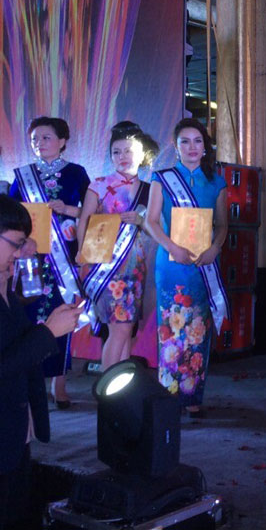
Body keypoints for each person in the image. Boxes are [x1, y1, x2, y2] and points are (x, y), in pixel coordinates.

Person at [0, 195, 82, 529]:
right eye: (16, 243)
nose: (20, 251)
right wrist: (49, 333)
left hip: (15, 430)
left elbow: (16, 337)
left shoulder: (6, 281)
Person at [146, 118, 227, 417]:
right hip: (171, 263)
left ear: (205, 146)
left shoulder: (216, 182)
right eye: (185, 141)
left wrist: (215, 248)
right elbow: (150, 221)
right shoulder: (162, 178)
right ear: (175, 146)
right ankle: (168, 396)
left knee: (197, 329)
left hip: (203, 264)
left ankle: (192, 395)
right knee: (170, 329)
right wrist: (172, 247)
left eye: (197, 141)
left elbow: (223, 224)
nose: (192, 147)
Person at [9, 116, 90, 409]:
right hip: (31, 257)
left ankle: (60, 383)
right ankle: (31, 380)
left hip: (63, 259)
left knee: (62, 313)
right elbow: (12, 214)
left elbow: (92, 212)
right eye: (35, 139)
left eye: (45, 137)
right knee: (30, 315)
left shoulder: (76, 173)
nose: (39, 143)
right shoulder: (24, 175)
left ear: (62, 140)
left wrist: (67, 209)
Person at [77, 122, 155, 370]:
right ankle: (108, 383)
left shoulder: (150, 190)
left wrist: (141, 222)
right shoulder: (99, 184)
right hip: (105, 265)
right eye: (116, 152)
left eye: (128, 151)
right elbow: (84, 220)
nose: (122, 156)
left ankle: (119, 382)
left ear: (142, 154)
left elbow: (157, 229)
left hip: (135, 266)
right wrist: (81, 252)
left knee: (127, 329)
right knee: (118, 329)